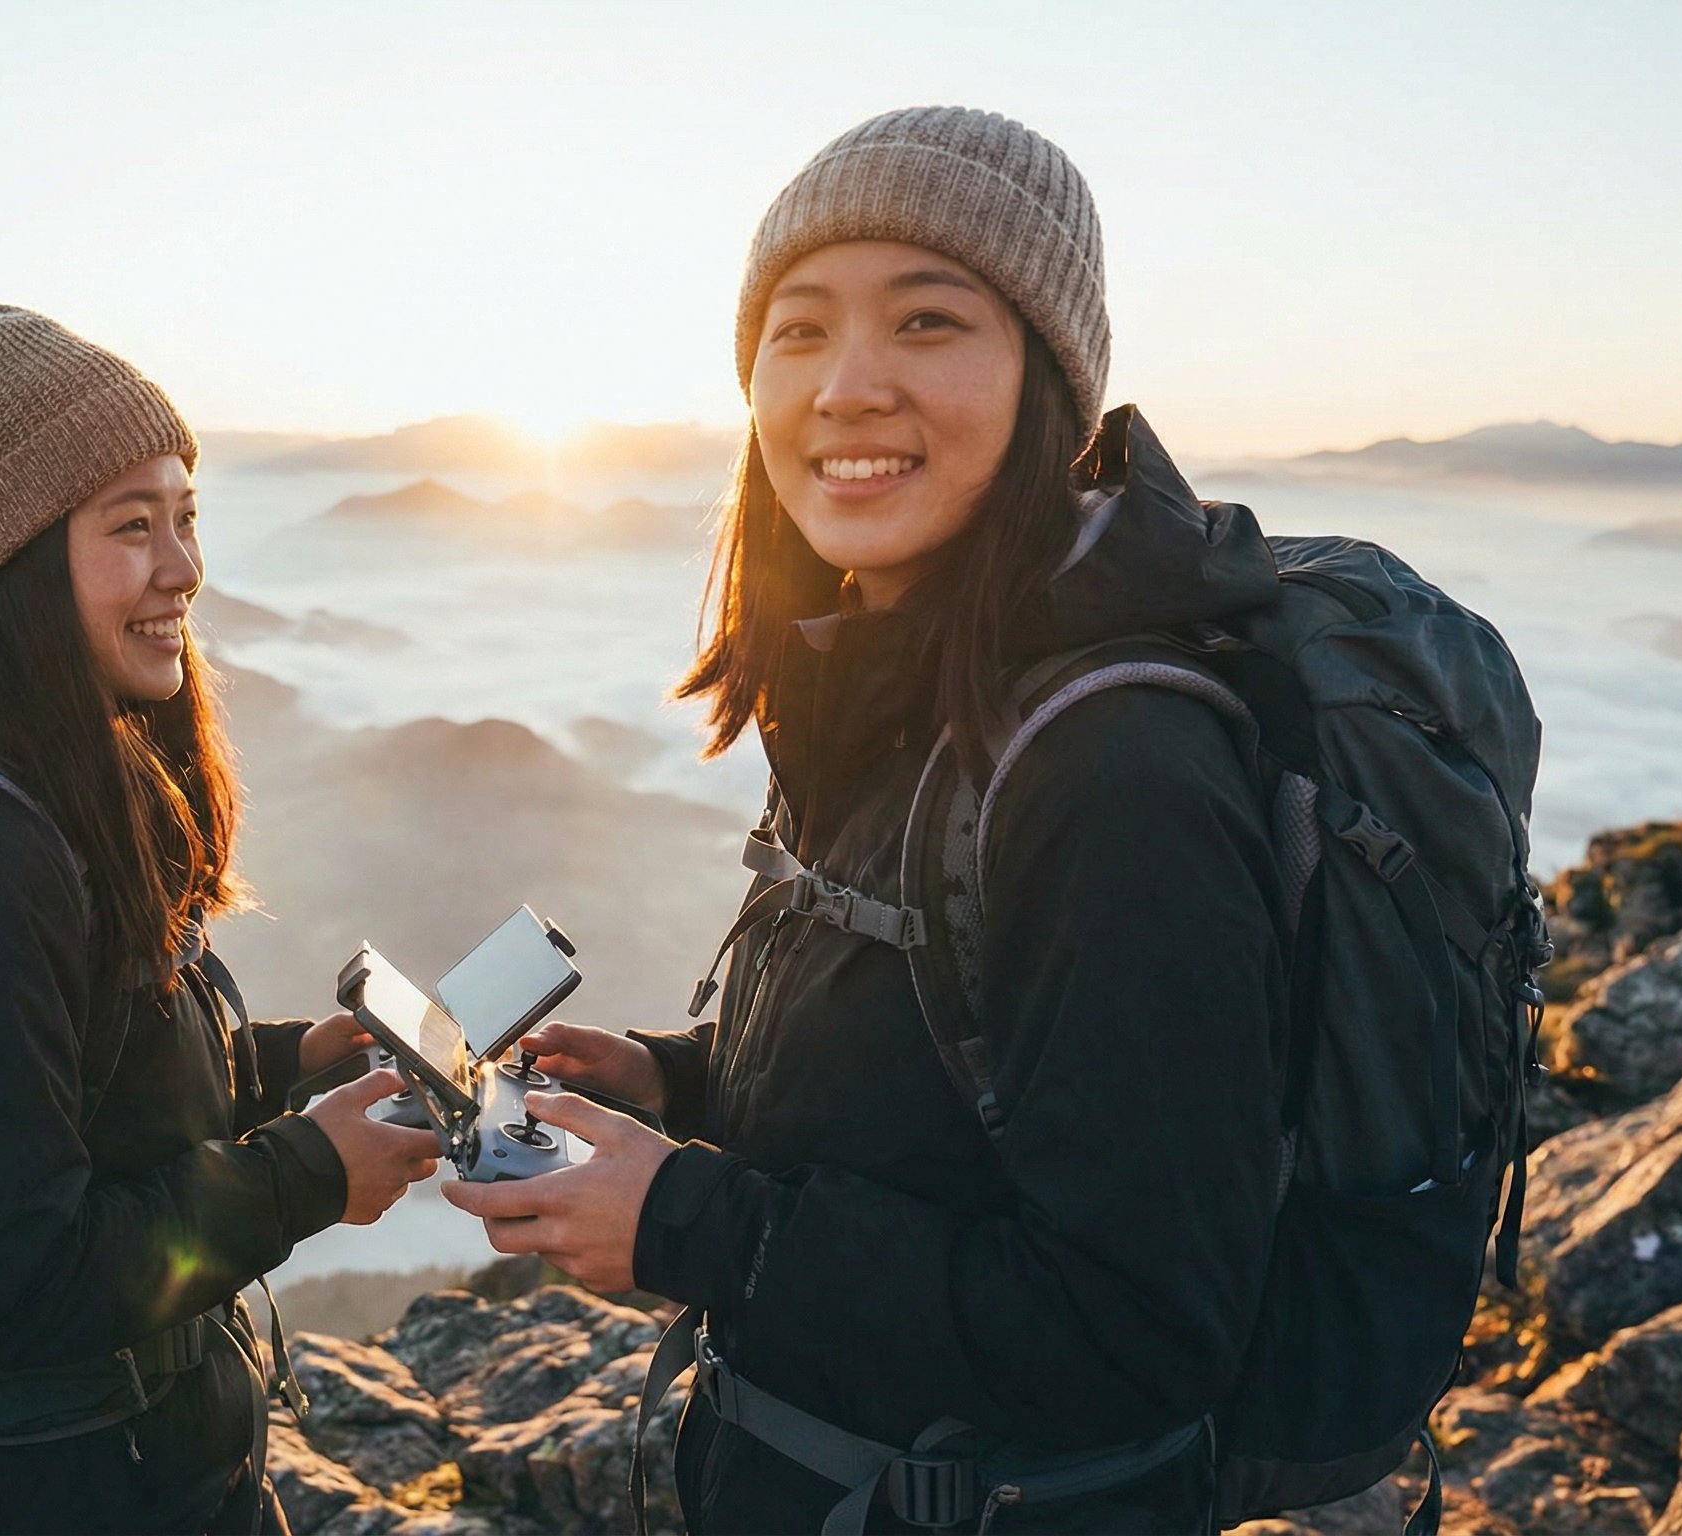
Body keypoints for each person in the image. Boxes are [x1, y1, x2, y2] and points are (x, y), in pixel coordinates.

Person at [443, 108, 1289, 1533]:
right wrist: (682, 1083)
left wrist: (685, 1220)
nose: (847, 386)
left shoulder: (1115, 774)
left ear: (1049, 380)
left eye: (928, 321)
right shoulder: (888, 683)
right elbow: (958, 1095)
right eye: (798, 330)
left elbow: (1140, 1329)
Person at [0, 302, 444, 1535]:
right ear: (11, 559)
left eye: (186, 517)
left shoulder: (52, 766)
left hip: (152, 1466)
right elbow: (11, 1282)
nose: (182, 568)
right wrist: (310, 1174)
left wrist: (295, 1062)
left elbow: (88, 1084)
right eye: (130, 527)